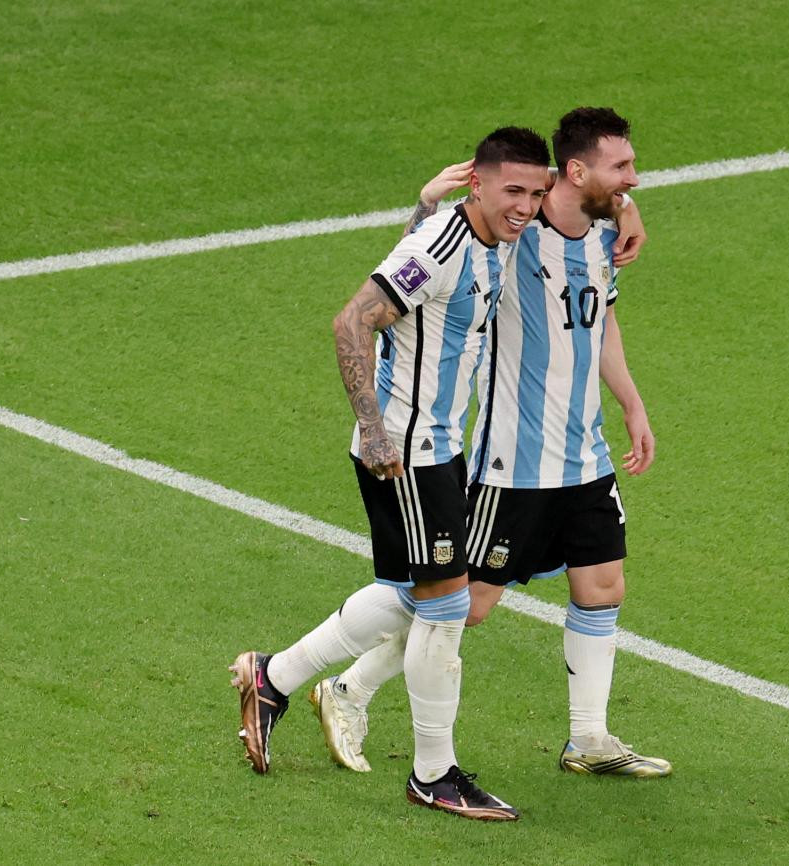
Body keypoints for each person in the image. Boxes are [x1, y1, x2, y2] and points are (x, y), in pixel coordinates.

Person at [311, 107, 671, 780]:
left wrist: (633, 406)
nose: (633, 181)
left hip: (585, 455)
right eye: (621, 169)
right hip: (514, 463)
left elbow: (601, 323)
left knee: (602, 584)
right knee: (462, 605)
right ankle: (344, 688)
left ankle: (589, 739)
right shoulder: (514, 236)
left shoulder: (601, 236)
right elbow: (430, 255)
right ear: (576, 170)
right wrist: (423, 202)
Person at [230, 126, 554, 822]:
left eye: (536, 190)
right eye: (513, 190)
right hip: (408, 452)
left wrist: (420, 206)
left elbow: (415, 287)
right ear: (480, 183)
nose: (526, 205)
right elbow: (353, 322)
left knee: (417, 594)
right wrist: (376, 433)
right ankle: (433, 774)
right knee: (444, 607)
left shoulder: (487, 238)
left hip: (442, 448)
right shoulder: (444, 243)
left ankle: (274, 677)